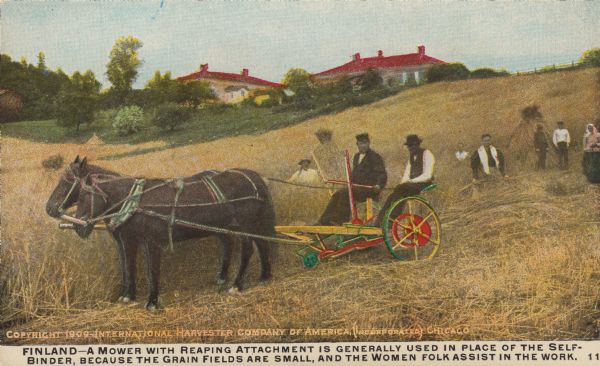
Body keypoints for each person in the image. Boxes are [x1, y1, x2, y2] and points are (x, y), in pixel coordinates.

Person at [317, 133, 387, 225]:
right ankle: (324, 221)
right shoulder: (356, 157)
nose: (363, 145)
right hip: (357, 188)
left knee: (345, 193)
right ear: (357, 144)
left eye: (365, 143)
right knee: (337, 194)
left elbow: (382, 174)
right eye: (361, 143)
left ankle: (339, 220)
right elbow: (355, 175)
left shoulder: (375, 157)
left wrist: (379, 185)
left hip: (369, 189)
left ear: (369, 143)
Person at [373, 135, 435, 227]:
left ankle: (392, 218)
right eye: (409, 146)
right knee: (393, 195)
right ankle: (379, 221)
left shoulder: (426, 153)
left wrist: (411, 181)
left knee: (401, 189)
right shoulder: (411, 157)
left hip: (423, 183)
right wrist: (401, 184)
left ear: (417, 144)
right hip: (411, 185)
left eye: (412, 145)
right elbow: (406, 174)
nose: (410, 148)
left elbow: (428, 175)